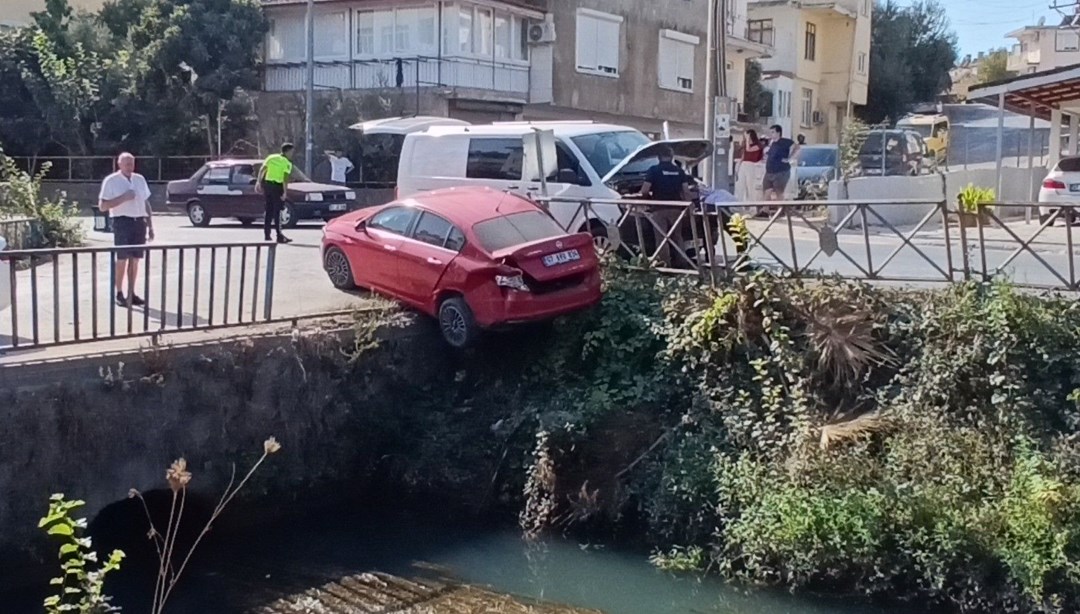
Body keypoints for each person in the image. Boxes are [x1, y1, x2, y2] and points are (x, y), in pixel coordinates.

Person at [98, 152, 154, 307]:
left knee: (135, 260)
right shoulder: (111, 181)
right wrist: (123, 198)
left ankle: (131, 292)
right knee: (121, 259)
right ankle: (119, 292)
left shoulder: (139, 179)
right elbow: (102, 206)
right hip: (122, 221)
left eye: (132, 163)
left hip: (139, 221)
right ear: (119, 164)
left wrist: (150, 225)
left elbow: (146, 203)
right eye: (127, 164)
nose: (130, 167)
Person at [640, 146, 693, 267]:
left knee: (661, 238)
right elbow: (686, 191)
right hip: (676, 208)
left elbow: (644, 190)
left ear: (659, 157)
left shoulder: (653, 170)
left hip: (659, 209)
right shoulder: (679, 171)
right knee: (678, 237)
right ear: (671, 157)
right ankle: (682, 262)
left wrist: (647, 199)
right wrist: (689, 206)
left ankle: (665, 265)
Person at [256, 143, 295, 244]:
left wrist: (258, 182)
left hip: (268, 185)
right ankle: (279, 235)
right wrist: (285, 192)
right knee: (277, 212)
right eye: (291, 152)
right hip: (277, 187)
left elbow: (262, 170)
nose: (292, 154)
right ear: (287, 151)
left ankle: (267, 235)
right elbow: (285, 179)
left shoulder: (271, 157)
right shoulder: (287, 163)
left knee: (268, 210)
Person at [763, 125, 799, 201]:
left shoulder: (785, 142)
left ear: (778, 133)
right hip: (769, 172)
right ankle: (765, 211)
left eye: (773, 132)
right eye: (770, 132)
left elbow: (797, 148)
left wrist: (789, 159)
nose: (771, 134)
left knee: (779, 193)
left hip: (781, 172)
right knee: (766, 192)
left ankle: (781, 210)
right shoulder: (773, 144)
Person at [735, 130, 765, 206]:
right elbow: (743, 156)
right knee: (740, 185)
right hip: (744, 165)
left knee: (750, 186)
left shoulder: (758, 145)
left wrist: (748, 139)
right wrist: (738, 167)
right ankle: (739, 204)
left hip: (751, 165)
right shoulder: (745, 144)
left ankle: (752, 205)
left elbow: (749, 150)